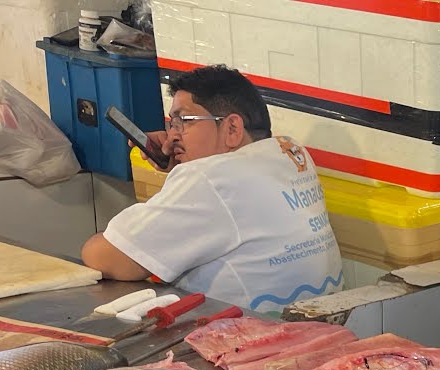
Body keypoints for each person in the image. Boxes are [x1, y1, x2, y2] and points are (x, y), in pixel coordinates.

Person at [80, 65, 342, 312]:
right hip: (312, 331)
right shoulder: (289, 152)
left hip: (245, 341)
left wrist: (189, 175)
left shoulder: (210, 180)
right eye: (172, 124)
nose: (172, 136)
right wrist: (180, 170)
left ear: (232, 128)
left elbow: (106, 258)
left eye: (184, 121)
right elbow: (226, 206)